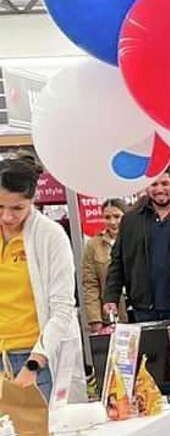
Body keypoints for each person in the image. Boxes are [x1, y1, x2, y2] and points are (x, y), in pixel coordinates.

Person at [0, 151, 81, 404]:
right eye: (0, 206)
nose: (7, 217)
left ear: (32, 200)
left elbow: (62, 308)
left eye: (17, 208)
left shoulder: (51, 236)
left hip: (36, 360)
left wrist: (34, 364)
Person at [103, 166, 170, 325]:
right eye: (154, 184)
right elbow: (117, 262)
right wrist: (111, 297)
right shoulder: (131, 220)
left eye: (165, 183)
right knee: (150, 350)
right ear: (146, 186)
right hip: (143, 308)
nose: (160, 189)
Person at [80, 199, 126, 333]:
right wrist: (95, 320)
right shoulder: (93, 245)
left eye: (117, 216)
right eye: (107, 217)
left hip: (140, 310)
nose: (112, 222)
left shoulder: (136, 238)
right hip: (112, 316)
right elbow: (90, 285)